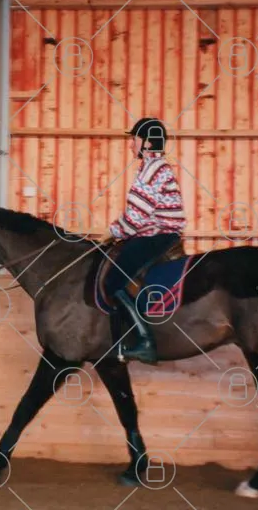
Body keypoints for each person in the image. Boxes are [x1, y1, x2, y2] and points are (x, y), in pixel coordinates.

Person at [103, 117, 186, 364]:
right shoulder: (153, 166)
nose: (131, 144)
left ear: (148, 143)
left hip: (158, 236)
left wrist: (112, 232)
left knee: (113, 280)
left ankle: (145, 341)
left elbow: (136, 217)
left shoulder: (152, 170)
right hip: (156, 233)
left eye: (134, 139)